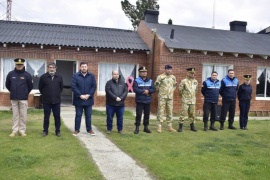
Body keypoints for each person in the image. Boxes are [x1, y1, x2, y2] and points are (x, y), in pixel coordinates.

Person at [5, 58, 33, 137]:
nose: (19, 66)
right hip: (13, 98)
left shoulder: (27, 75)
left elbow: (30, 86)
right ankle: (14, 130)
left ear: (23, 65)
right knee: (15, 115)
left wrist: (24, 93)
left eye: (21, 64)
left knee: (23, 115)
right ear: (15, 65)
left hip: (23, 98)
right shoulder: (11, 74)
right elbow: (7, 85)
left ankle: (22, 130)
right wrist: (13, 91)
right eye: (18, 64)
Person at [71, 62, 96, 136]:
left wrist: (89, 95)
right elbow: (73, 86)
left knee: (88, 116)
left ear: (87, 67)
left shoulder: (91, 76)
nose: (84, 68)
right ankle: (76, 130)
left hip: (89, 100)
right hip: (78, 100)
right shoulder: (75, 76)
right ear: (80, 67)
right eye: (82, 66)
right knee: (78, 115)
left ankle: (89, 130)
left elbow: (94, 86)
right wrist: (80, 95)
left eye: (85, 66)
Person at [39, 62, 63, 137]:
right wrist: (46, 94)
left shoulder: (59, 77)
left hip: (56, 101)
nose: (51, 69)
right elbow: (40, 88)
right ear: (48, 68)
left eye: (53, 67)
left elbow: (61, 88)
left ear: (55, 68)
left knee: (57, 117)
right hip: (46, 101)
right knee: (46, 117)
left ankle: (57, 131)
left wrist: (56, 94)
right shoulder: (43, 77)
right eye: (50, 67)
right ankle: (45, 131)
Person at [133, 66, 156, 134]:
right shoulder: (136, 80)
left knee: (147, 115)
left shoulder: (150, 80)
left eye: (145, 72)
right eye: (142, 72)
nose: (144, 73)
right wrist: (143, 91)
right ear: (139, 73)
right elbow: (135, 89)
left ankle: (146, 127)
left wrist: (148, 91)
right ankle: (137, 127)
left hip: (148, 100)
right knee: (139, 114)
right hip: (140, 100)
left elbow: (153, 89)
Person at [155, 64, 177, 133]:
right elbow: (156, 85)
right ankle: (159, 126)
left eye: (170, 69)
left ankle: (170, 126)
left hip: (170, 97)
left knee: (170, 112)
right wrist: (161, 92)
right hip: (162, 97)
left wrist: (171, 91)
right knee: (161, 111)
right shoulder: (161, 77)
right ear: (165, 69)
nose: (169, 71)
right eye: (168, 69)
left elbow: (174, 86)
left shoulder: (173, 77)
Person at [178, 68, 198, 132]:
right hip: (185, 100)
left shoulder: (195, 81)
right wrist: (184, 97)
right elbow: (180, 90)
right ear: (188, 73)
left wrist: (192, 97)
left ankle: (192, 126)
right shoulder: (184, 81)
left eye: (193, 73)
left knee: (192, 114)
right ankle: (180, 126)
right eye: (191, 73)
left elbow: (196, 90)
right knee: (183, 113)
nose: (193, 74)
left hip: (192, 100)